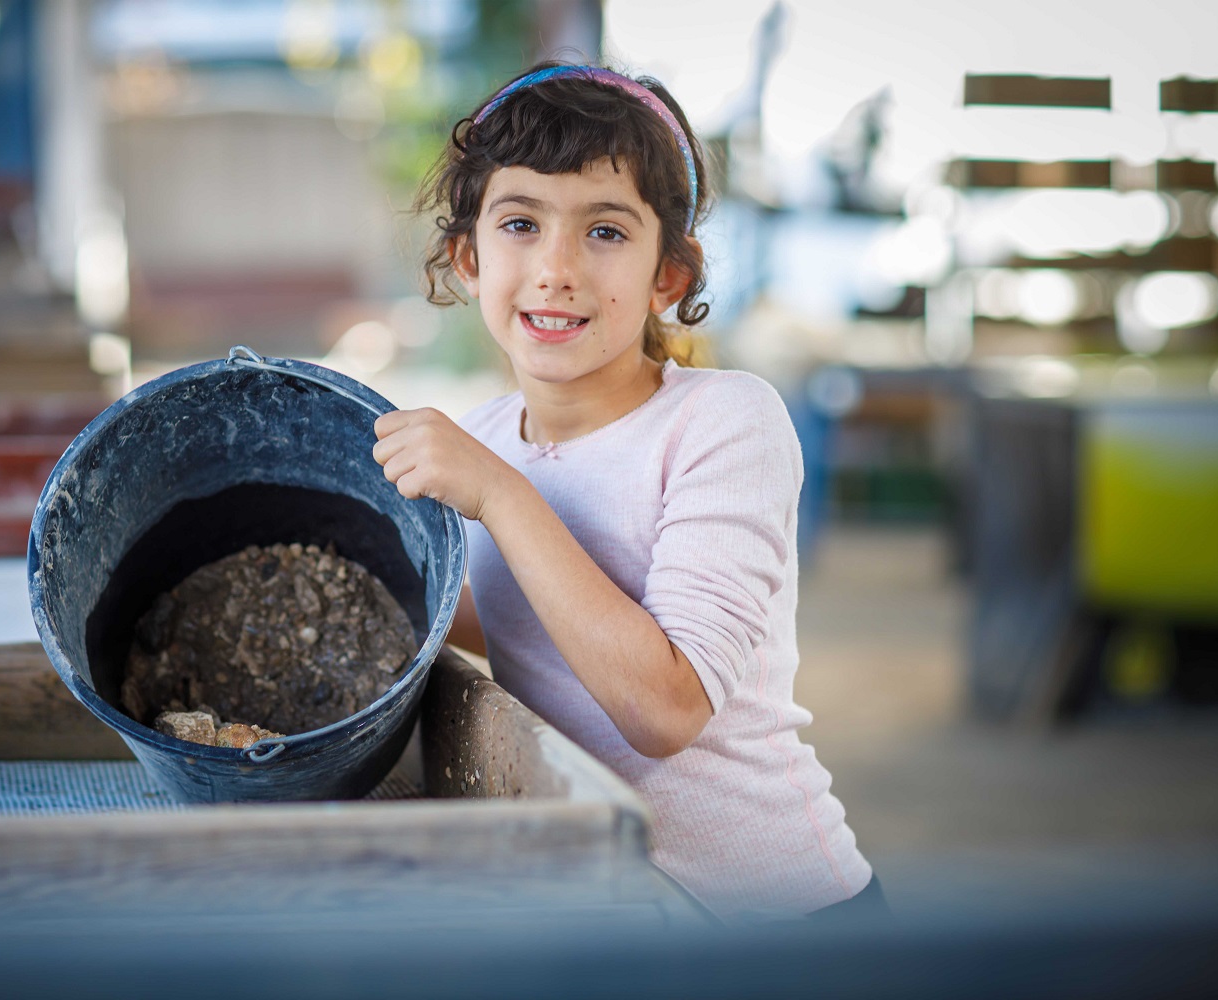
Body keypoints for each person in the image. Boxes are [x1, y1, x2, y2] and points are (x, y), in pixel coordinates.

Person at [371, 63, 881, 922]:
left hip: (780, 930)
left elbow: (665, 708)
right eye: (521, 223)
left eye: (605, 232)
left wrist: (500, 496)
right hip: (618, 922)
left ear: (667, 279)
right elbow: (515, 614)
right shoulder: (492, 438)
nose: (556, 268)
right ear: (468, 258)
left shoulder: (725, 423)